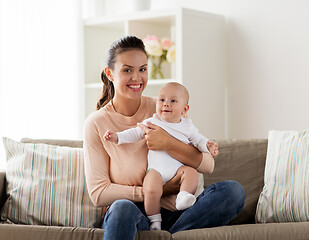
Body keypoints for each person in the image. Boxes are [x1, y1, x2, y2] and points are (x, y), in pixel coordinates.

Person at [83, 35, 245, 240]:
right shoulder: (96, 123)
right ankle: (170, 235)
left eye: (142, 69)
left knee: (232, 191)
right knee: (121, 207)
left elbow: (207, 166)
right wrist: (157, 190)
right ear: (110, 74)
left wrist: (169, 143)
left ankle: (169, 235)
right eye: (127, 70)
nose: (137, 78)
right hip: (135, 214)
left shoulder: (164, 105)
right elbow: (99, 193)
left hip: (181, 212)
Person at [103, 82, 219, 230]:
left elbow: (199, 140)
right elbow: (134, 133)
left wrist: (208, 146)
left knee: (191, 173)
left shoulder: (187, 126)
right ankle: (155, 220)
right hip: (156, 171)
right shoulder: (152, 121)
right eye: (162, 100)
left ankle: (183, 196)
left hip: (179, 169)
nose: (166, 104)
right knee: (150, 188)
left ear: (185, 109)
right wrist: (116, 137)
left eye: (173, 101)